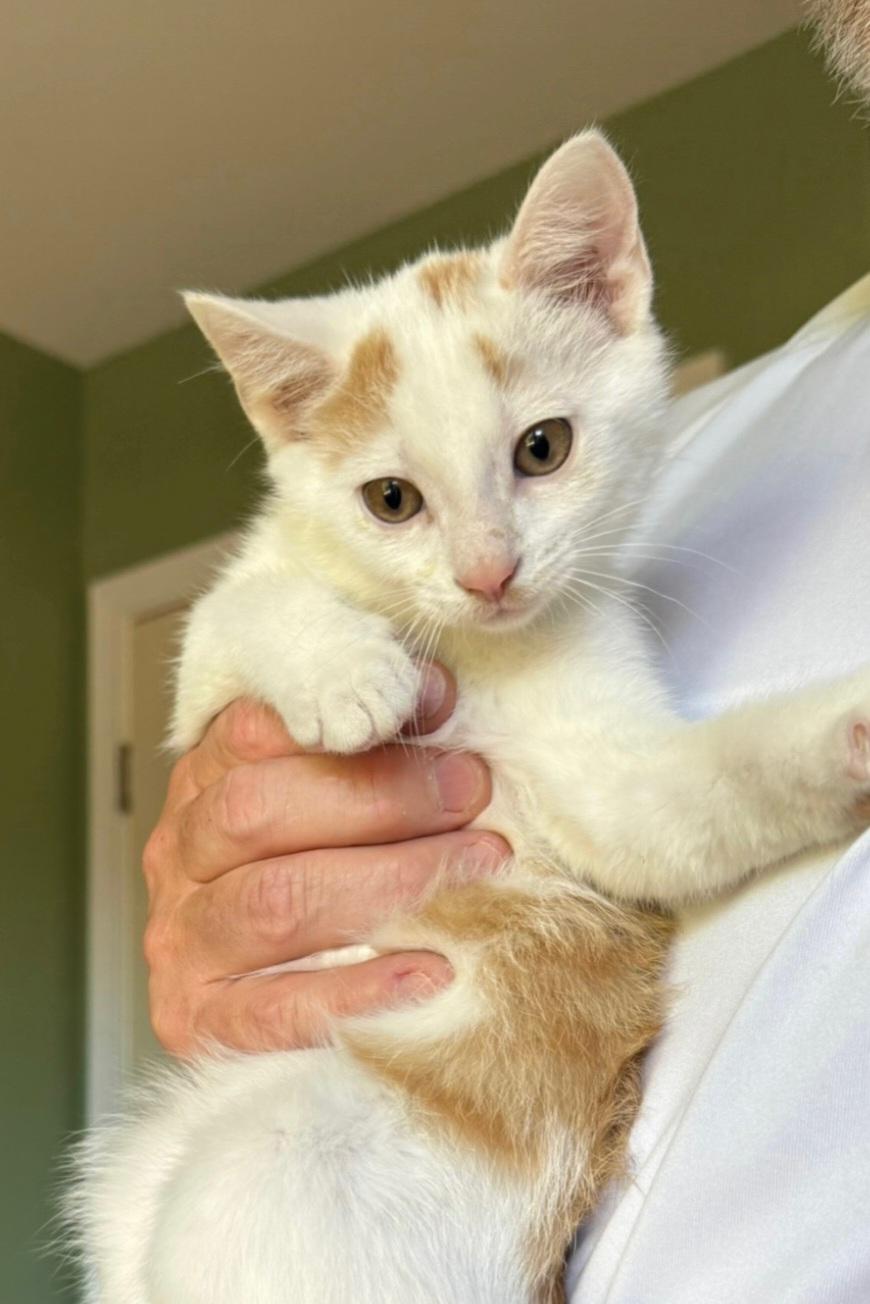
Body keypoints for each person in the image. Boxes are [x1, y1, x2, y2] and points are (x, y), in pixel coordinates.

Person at [143, 4, 870, 1297]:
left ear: (610, 291)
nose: (487, 569)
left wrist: (823, 754)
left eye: (536, 455)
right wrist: (235, 880)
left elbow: (640, 814)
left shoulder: (616, 504)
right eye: (396, 501)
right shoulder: (707, 449)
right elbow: (236, 662)